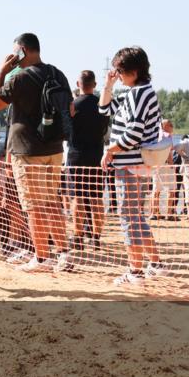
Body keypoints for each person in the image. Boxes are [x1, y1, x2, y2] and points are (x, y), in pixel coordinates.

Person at [0, 33, 73, 273]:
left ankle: (42, 258)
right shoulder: (57, 73)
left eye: (16, 51)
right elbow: (71, 108)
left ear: (23, 50)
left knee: (34, 206)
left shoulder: (20, 78)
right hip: (55, 147)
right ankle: (63, 255)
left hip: (27, 150)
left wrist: (1, 72)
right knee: (52, 202)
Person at [98, 46, 167, 285]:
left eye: (120, 71)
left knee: (128, 217)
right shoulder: (137, 91)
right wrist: (108, 85)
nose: (117, 74)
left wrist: (110, 150)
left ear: (133, 71)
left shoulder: (138, 94)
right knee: (135, 215)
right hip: (135, 164)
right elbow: (104, 109)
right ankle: (155, 264)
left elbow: (134, 133)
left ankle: (135, 270)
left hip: (130, 164)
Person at [66, 70, 109, 249]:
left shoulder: (73, 105)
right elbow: (105, 129)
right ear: (95, 85)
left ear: (78, 85)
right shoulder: (103, 105)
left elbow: (66, 128)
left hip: (76, 154)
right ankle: (96, 237)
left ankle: (78, 236)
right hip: (97, 155)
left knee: (78, 197)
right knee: (96, 197)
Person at [149, 119, 177, 220]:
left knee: (156, 190)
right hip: (165, 164)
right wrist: (172, 164)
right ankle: (169, 213)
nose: (172, 126)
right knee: (172, 189)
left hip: (156, 164)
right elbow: (169, 152)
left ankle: (154, 213)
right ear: (164, 126)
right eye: (170, 124)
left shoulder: (154, 135)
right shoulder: (168, 136)